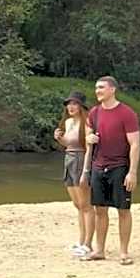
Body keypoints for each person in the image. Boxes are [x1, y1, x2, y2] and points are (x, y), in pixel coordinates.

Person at [82, 76, 140, 265]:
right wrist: (89, 138)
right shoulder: (94, 113)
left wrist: (132, 172)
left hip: (119, 167)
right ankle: (99, 250)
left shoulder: (127, 113)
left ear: (112, 90)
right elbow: (87, 135)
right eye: (96, 88)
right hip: (98, 166)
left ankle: (124, 252)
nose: (97, 91)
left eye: (101, 87)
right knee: (100, 210)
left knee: (123, 210)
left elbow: (135, 144)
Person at [53, 91, 94, 257]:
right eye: (69, 104)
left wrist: (86, 171)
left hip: (80, 160)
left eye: (74, 103)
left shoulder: (87, 123)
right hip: (69, 159)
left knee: (86, 205)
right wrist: (59, 139)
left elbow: (89, 148)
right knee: (78, 205)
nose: (71, 107)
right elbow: (68, 144)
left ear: (81, 106)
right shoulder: (68, 122)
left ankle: (88, 244)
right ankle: (81, 240)